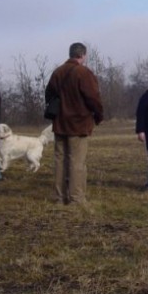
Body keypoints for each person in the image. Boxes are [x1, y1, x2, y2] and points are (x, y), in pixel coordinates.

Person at [45, 42, 103, 207]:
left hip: (60, 123)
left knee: (60, 160)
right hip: (79, 124)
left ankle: (59, 197)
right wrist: (98, 116)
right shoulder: (83, 73)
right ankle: (76, 199)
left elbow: (48, 95)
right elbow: (94, 98)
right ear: (83, 55)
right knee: (77, 161)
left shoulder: (57, 72)